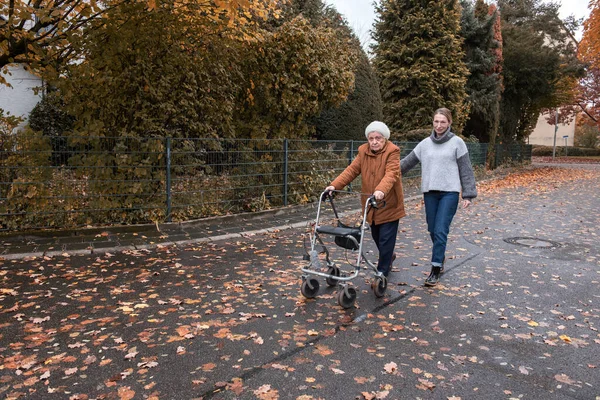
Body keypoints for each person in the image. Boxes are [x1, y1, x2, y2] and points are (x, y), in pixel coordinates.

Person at [400, 108, 477, 286]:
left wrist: (468, 194)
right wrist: (386, 172)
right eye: (436, 122)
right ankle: (440, 255)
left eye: (443, 122)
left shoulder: (458, 143)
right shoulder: (425, 144)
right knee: (432, 229)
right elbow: (406, 164)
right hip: (430, 193)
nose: (439, 125)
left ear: (449, 123)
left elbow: (466, 170)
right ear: (433, 123)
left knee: (441, 229)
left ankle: (435, 269)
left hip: (449, 193)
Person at [324, 121, 406, 278]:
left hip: (389, 203)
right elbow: (352, 170)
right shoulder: (363, 151)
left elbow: (391, 173)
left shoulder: (392, 151)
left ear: (385, 138)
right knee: (376, 236)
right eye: (371, 138)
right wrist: (334, 186)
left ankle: (382, 271)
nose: (374, 142)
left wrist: (381, 190)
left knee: (385, 239)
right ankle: (388, 256)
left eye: (378, 138)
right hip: (372, 205)